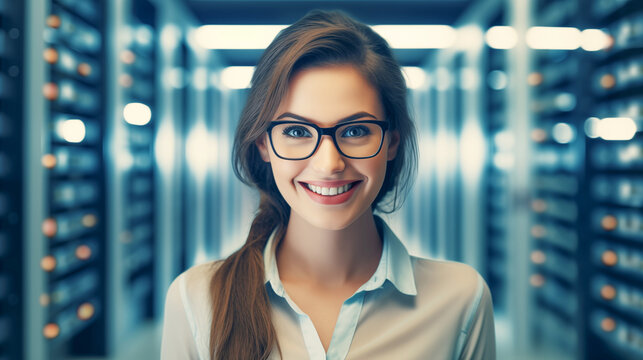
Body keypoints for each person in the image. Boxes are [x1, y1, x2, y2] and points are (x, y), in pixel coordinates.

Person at [161, 9, 496, 360]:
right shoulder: (195, 301)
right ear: (262, 143)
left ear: (392, 142)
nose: (329, 164)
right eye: (296, 131)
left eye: (355, 131)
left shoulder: (461, 302)